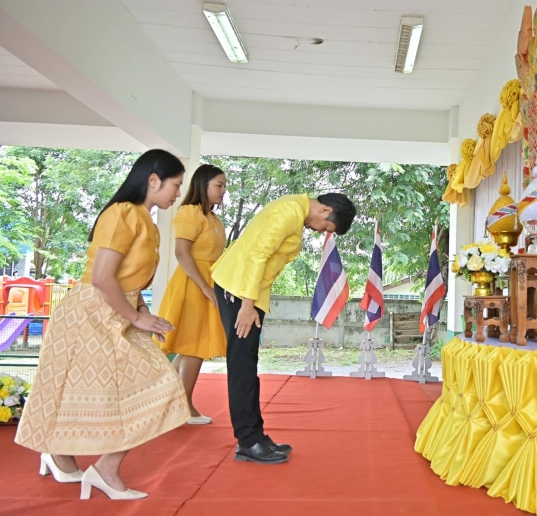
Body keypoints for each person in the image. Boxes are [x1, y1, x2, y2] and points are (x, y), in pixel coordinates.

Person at [15, 150, 190, 500]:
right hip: (89, 315)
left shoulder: (147, 222)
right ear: (153, 180)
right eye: (176, 184)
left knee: (159, 386)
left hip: (117, 312)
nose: (178, 193)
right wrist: (137, 316)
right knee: (79, 390)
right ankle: (79, 461)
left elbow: (129, 281)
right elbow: (101, 277)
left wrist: (143, 315)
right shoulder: (123, 213)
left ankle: (82, 462)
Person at [211, 193, 356, 465]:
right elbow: (258, 254)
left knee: (248, 362)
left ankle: (255, 435)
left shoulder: (294, 210)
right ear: (325, 210)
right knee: (242, 366)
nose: (320, 231)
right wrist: (247, 305)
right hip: (240, 291)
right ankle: (248, 441)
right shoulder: (290, 211)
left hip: (247, 292)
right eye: (326, 227)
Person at [158, 165, 227, 425]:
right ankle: (184, 406)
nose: (223, 190)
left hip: (208, 282)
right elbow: (181, 253)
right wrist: (205, 287)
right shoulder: (190, 212)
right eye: (218, 185)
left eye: (224, 186)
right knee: (195, 345)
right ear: (202, 184)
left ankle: (171, 402)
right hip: (192, 284)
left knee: (192, 345)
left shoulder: (213, 218)